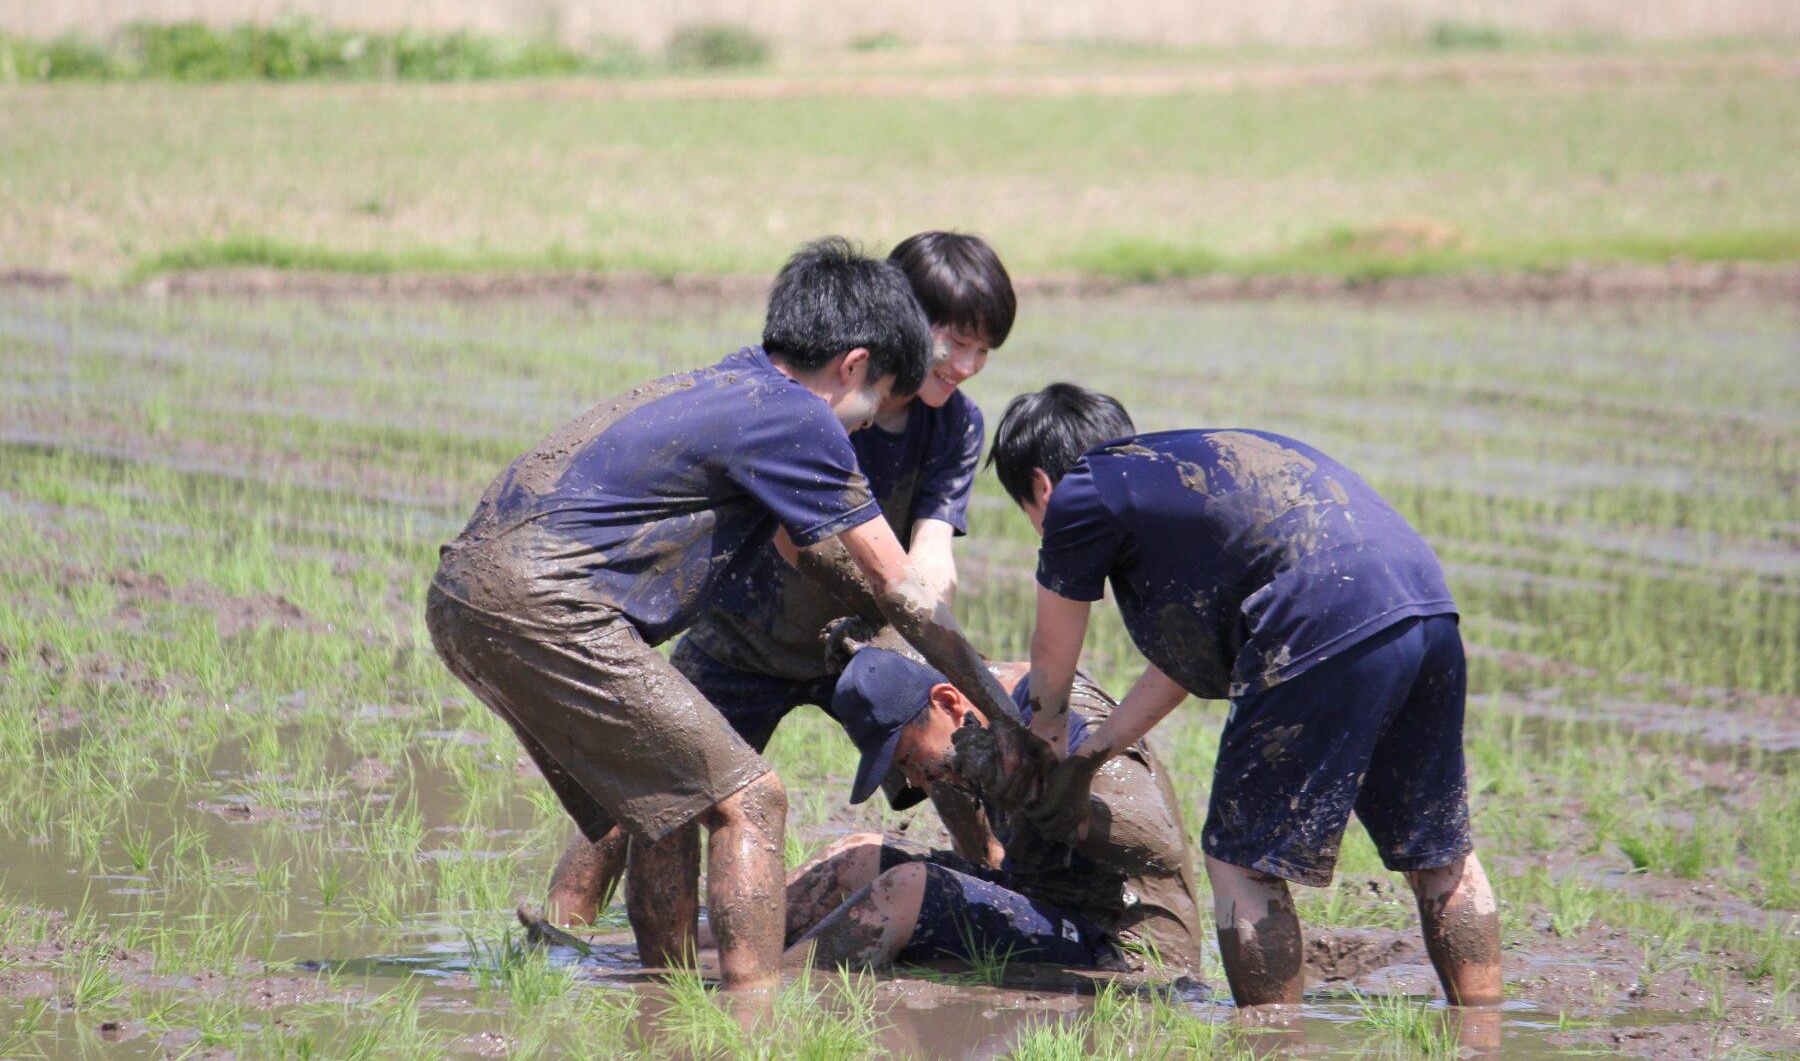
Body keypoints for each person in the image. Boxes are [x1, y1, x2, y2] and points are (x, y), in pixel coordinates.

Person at [426, 239, 1033, 993]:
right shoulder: (800, 419)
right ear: (854, 364)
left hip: (472, 591)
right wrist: (996, 700)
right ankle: (751, 1014)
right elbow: (890, 582)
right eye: (875, 397)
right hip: (587, 609)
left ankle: (667, 998)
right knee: (750, 799)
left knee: (665, 801)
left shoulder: (730, 381)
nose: (867, 424)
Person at [989, 383, 1503, 1009]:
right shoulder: (1184, 479)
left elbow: (1052, 656)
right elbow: (1178, 667)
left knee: (1241, 864)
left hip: (1323, 613)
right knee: (1440, 856)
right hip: (1423, 601)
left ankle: (1270, 1040)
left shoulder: (1079, 492)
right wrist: (1090, 755)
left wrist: (1046, 753)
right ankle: (1483, 1034)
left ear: (1041, 487)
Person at [780, 640, 1204, 976]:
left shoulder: (1061, 711)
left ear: (947, 702)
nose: (912, 782)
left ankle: (771, 990)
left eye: (908, 758)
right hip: (1042, 901)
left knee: (906, 888)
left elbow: (1162, 847)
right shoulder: (972, 720)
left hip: (1123, 948)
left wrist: (1035, 793)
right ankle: (724, 948)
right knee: (857, 854)